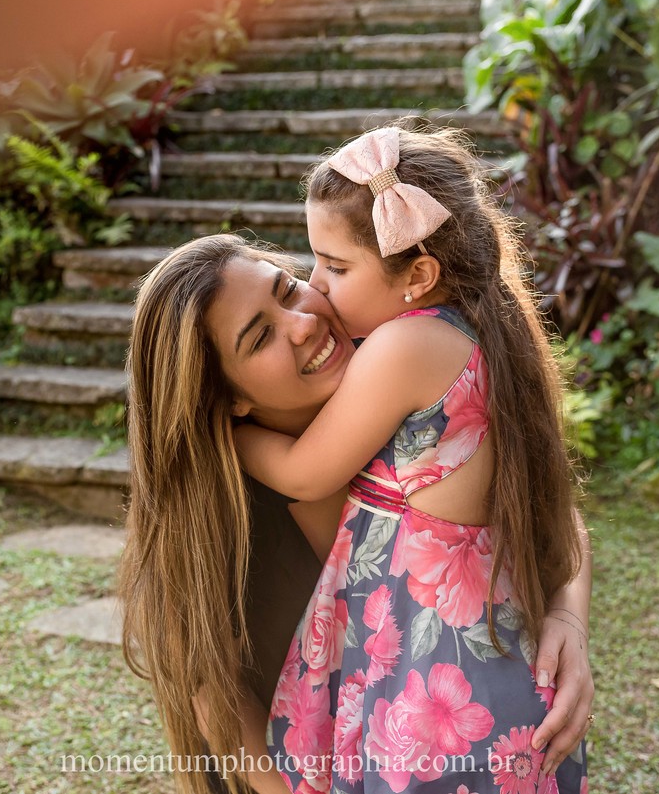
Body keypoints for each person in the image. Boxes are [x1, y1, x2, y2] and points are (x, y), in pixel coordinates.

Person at [119, 233, 593, 794]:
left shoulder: (402, 382)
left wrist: (568, 621)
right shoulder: (225, 508)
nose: (302, 323)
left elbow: (543, 508)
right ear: (227, 398)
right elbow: (209, 689)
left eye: (288, 289)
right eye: (261, 336)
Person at [231, 125, 590, 793]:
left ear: (418, 276)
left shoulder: (407, 347)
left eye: (335, 267)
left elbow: (305, 470)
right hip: (477, 677)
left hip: (437, 695)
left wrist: (217, 423)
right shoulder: (475, 331)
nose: (318, 285)